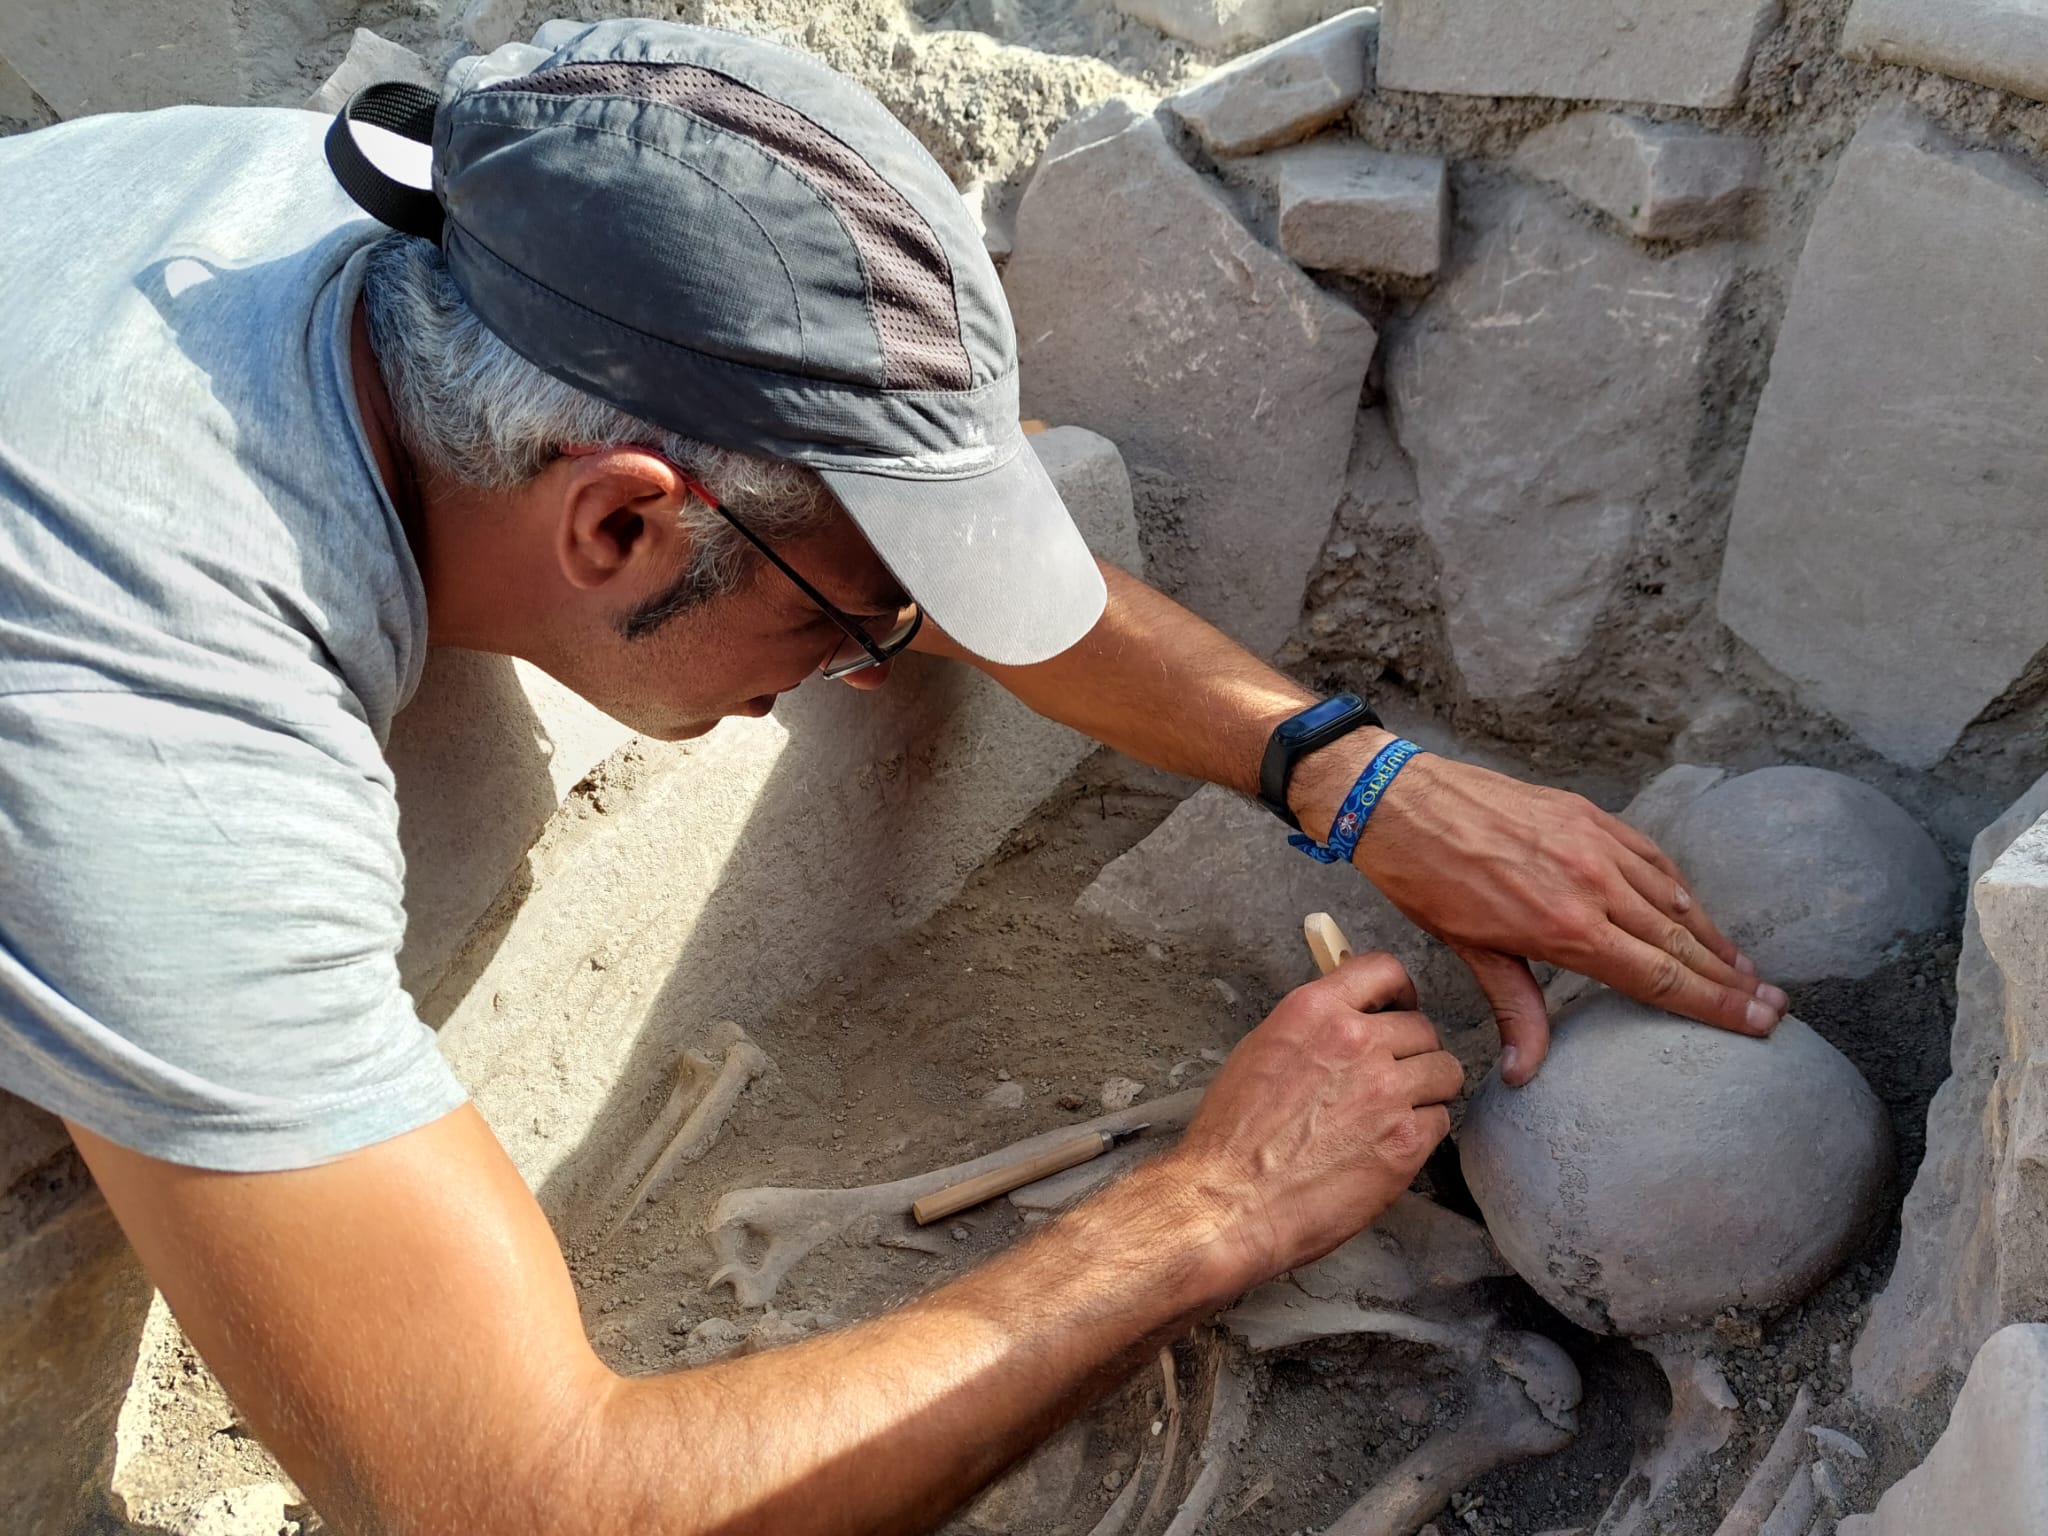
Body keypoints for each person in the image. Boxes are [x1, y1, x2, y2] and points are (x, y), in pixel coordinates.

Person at [0, 19, 1787, 1533]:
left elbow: (862, 515)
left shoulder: (470, 212)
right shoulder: (151, 735)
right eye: (863, 627)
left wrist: (1352, 772)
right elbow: (523, 1497)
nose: (880, 660)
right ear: (622, 518)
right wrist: (1205, 1211)